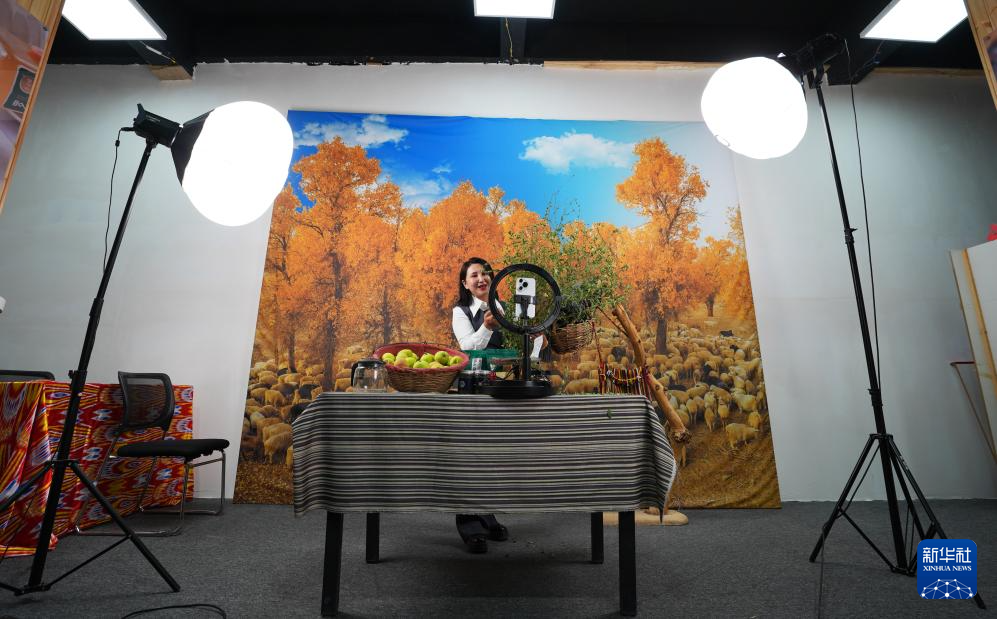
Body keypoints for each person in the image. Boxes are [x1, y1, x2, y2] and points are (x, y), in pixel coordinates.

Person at [449, 257, 519, 554]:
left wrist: (535, 339)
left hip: (501, 390)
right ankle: (469, 525)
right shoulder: (461, 311)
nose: (481, 279)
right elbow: (467, 346)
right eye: (474, 275)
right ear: (465, 284)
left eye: (485, 273)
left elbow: (519, 349)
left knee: (492, 456)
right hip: (473, 391)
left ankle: (488, 516)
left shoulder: (506, 309)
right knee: (469, 456)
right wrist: (488, 327)